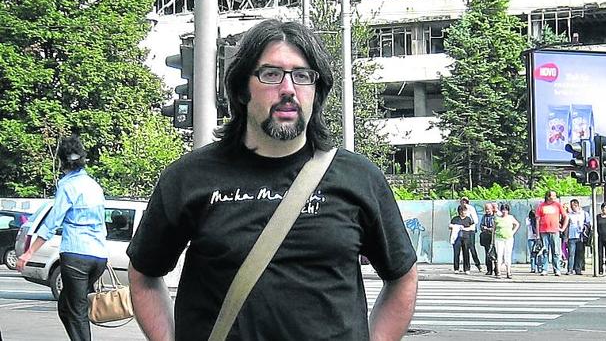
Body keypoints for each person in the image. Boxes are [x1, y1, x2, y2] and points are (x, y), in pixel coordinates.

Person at [127, 19, 418, 341]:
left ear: (316, 91)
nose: (289, 89)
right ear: (241, 89)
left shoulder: (359, 178)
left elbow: (402, 276)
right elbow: (144, 275)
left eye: (303, 76)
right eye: (271, 74)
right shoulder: (188, 177)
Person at [16, 134, 107, 341]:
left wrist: (28, 253)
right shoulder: (94, 186)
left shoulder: (67, 186)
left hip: (76, 256)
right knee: (66, 307)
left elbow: (52, 223)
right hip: (99, 256)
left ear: (61, 161)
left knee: (76, 312)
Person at [536, 190, 568, 276]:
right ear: (548, 196)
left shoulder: (557, 205)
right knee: (545, 251)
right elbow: (537, 220)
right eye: (553, 196)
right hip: (543, 231)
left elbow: (566, 216)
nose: (554, 197)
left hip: (555, 231)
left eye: (555, 196)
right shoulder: (541, 206)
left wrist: (563, 228)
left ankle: (557, 269)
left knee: (556, 251)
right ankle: (544, 269)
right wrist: (537, 234)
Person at [493, 203, 519, 279]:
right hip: (499, 239)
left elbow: (517, 224)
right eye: (503, 210)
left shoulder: (511, 218)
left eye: (506, 210)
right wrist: (492, 241)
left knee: (508, 255)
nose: (504, 211)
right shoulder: (497, 218)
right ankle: (498, 272)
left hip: (509, 238)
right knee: (499, 255)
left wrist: (513, 232)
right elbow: (494, 230)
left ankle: (508, 272)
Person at [566, 200, 589, 275]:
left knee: (580, 253)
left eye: (575, 206)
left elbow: (588, 224)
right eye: (572, 206)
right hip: (571, 236)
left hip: (581, 236)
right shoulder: (569, 215)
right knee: (571, 254)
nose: (573, 207)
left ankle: (578, 269)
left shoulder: (584, 214)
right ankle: (570, 269)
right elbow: (567, 226)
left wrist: (583, 228)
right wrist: (566, 237)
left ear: (578, 205)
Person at [449, 205, 473, 274]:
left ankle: (467, 268)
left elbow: (471, 227)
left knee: (466, 253)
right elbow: (450, 226)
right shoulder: (455, 219)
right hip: (457, 238)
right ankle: (456, 268)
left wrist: (466, 228)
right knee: (456, 253)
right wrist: (455, 226)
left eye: (465, 211)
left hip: (466, 237)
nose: (464, 213)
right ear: (460, 212)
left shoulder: (468, 219)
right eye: (463, 211)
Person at [460, 196, 482, 272]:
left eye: (465, 202)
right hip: (463, 231)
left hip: (470, 230)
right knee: (465, 249)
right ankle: (466, 267)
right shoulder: (460, 208)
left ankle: (478, 264)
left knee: (471, 247)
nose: (463, 203)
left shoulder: (471, 208)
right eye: (462, 202)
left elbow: (475, 220)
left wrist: (468, 223)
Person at [479, 202, 496, 276]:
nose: (487, 211)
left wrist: (488, 229)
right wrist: (485, 228)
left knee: (495, 253)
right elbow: (481, 226)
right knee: (487, 253)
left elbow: (495, 228)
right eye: (486, 209)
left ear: (492, 209)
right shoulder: (484, 217)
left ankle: (496, 269)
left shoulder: (495, 216)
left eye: (488, 209)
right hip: (486, 237)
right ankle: (489, 269)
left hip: (494, 237)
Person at [526, 208, 542, 274]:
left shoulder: (538, 220)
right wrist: (533, 219)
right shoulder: (528, 219)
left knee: (539, 253)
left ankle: (539, 267)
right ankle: (533, 268)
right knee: (532, 253)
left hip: (538, 238)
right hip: (531, 238)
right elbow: (529, 224)